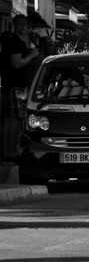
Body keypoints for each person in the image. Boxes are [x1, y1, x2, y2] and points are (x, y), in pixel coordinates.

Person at [0, 14, 39, 161]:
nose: (24, 27)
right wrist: (32, 55)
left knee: (11, 118)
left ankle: (8, 151)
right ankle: (10, 152)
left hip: (15, 84)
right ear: (15, 25)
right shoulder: (14, 42)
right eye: (21, 24)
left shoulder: (18, 41)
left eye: (25, 24)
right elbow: (16, 64)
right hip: (17, 85)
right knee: (15, 118)